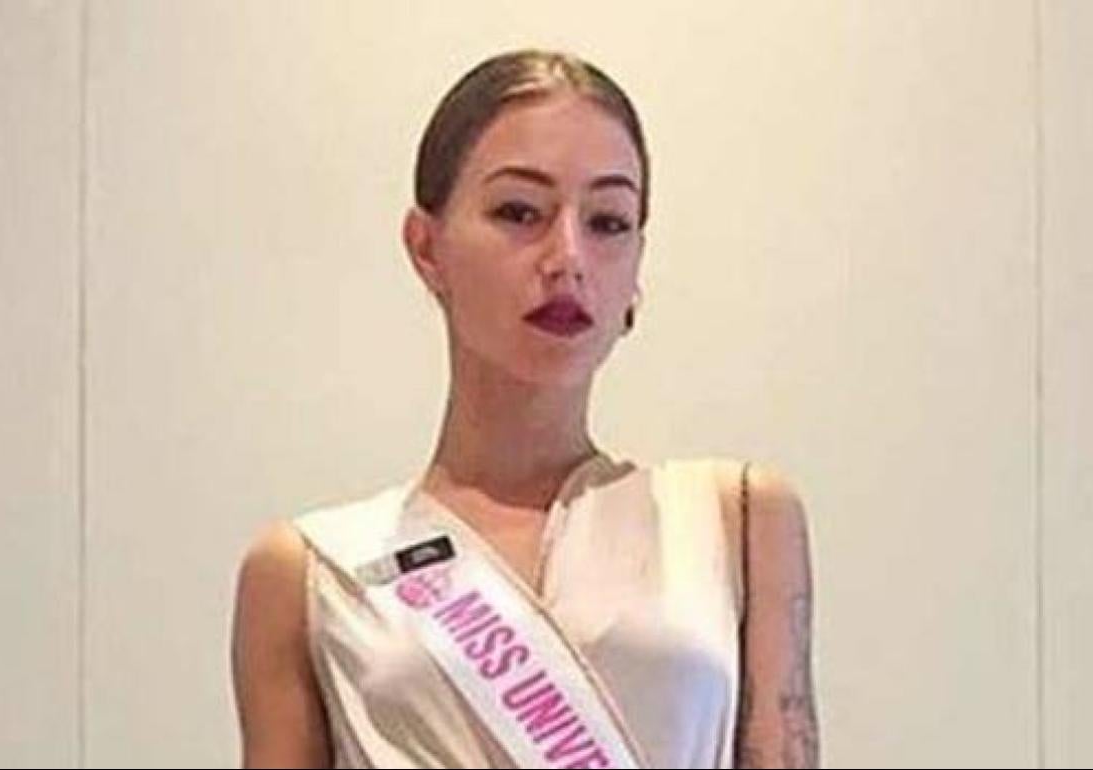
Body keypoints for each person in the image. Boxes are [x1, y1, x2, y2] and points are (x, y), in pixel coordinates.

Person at [231, 48, 819, 769]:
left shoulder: (738, 518)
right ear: (426, 247)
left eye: (608, 221)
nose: (568, 256)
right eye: (519, 212)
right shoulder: (313, 571)